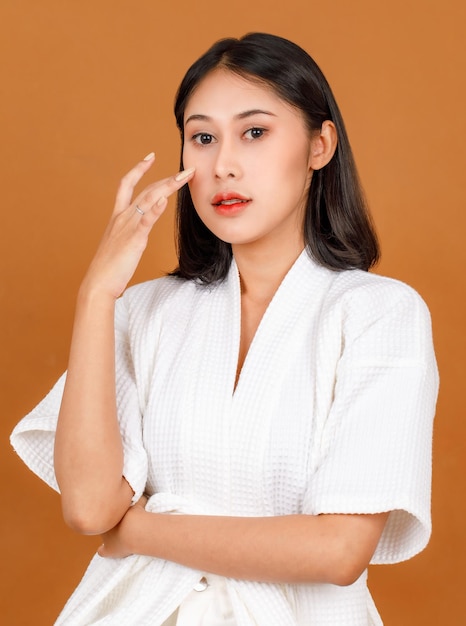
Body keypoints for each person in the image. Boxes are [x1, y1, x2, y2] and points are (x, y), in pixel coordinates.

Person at [10, 32, 438, 625]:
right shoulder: (143, 309)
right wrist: (97, 295)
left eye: (254, 132)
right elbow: (88, 508)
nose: (222, 165)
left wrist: (137, 532)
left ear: (320, 144)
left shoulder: (380, 314)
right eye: (202, 137)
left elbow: (339, 552)